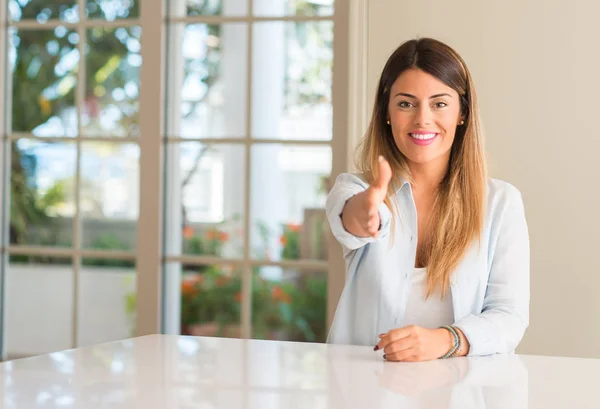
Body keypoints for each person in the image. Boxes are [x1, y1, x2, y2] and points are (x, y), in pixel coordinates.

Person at [325, 37, 530, 361]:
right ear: (386, 112)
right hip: (361, 387)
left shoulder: (501, 203)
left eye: (439, 103)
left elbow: (509, 315)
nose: (422, 119)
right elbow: (351, 217)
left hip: (462, 390)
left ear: (462, 113)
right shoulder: (353, 188)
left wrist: (447, 340)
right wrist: (368, 212)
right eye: (406, 103)